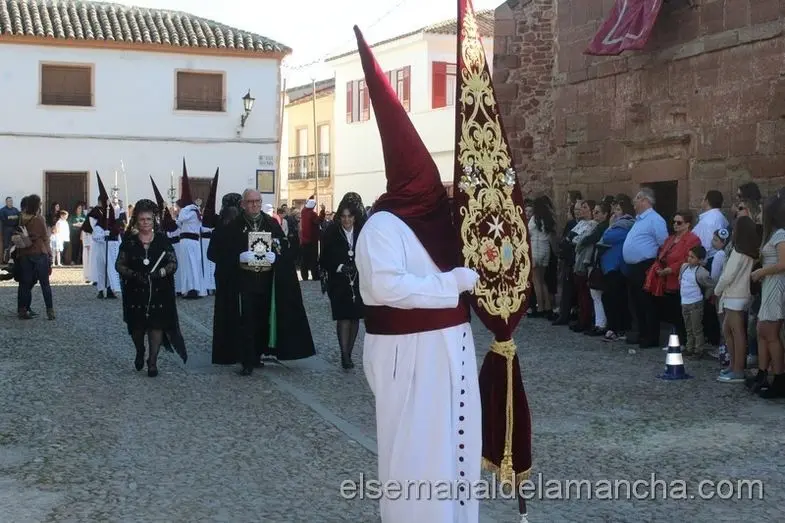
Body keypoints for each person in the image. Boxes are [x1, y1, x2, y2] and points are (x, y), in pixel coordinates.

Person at [352, 26, 481, 522]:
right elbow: (385, 286)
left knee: (454, 451)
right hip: (409, 359)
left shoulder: (435, 225)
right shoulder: (382, 226)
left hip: (448, 351)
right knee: (417, 455)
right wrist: (451, 285)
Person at [221, 188, 316, 376]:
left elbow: (284, 245)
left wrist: (276, 256)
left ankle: (258, 354)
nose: (254, 205)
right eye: (250, 202)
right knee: (247, 319)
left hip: (266, 280)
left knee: (262, 319)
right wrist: (239, 257)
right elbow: (222, 251)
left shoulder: (270, 223)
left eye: (257, 201)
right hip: (245, 280)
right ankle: (247, 359)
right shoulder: (235, 225)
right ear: (243, 204)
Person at [115, 199, 180, 377]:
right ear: (137, 221)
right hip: (136, 290)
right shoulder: (129, 242)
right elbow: (119, 265)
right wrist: (134, 274)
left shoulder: (162, 240)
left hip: (159, 289)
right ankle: (140, 350)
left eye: (149, 219)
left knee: (156, 325)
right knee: (137, 327)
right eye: (142, 219)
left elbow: (173, 263)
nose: (145, 223)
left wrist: (160, 272)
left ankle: (152, 361)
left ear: (154, 221)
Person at [319, 192, 365, 369]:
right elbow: (324, 258)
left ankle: (350, 352)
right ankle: (344, 354)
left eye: (350, 217)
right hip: (338, 281)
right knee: (343, 317)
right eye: (344, 217)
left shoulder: (361, 231)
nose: (347, 220)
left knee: (355, 318)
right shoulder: (332, 232)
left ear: (354, 217)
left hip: (358, 280)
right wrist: (339, 266)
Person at [207, 192, 243, 365]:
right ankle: (240, 349)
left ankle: (224, 352)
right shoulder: (242, 230)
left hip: (223, 275)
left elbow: (211, 254)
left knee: (223, 312)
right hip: (240, 275)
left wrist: (223, 260)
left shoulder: (219, 230)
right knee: (240, 312)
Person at [15, 195, 54, 320]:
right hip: (39, 252)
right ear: (36, 205)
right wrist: (49, 254)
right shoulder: (39, 219)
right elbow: (45, 237)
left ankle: (23, 310)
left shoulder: (21, 218)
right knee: (45, 284)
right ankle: (50, 311)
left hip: (25, 253)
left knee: (25, 284)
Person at [175, 161, 206, 299]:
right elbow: (181, 223)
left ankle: (192, 288)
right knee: (191, 265)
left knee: (190, 265)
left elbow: (181, 218)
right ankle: (191, 288)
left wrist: (183, 209)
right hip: (192, 241)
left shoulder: (189, 211)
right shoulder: (194, 211)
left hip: (188, 241)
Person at [678, 245, 715, 359]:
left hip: (695, 303)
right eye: (689, 256)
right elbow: (680, 279)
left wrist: (705, 297)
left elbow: (710, 285)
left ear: (700, 260)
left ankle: (698, 350)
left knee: (696, 328)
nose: (689, 259)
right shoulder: (684, 267)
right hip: (685, 301)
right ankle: (689, 347)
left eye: (692, 257)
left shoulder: (702, 273)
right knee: (688, 327)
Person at [1, 196, 20, 262]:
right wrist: (12, 218)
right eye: (9, 201)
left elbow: (19, 219)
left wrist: (11, 218)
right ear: (6, 202)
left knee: (15, 244)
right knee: (6, 245)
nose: (10, 202)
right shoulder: (2, 210)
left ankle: (15, 260)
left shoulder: (16, 210)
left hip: (15, 229)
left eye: (11, 201)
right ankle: (5, 260)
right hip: (6, 229)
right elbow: (4, 220)